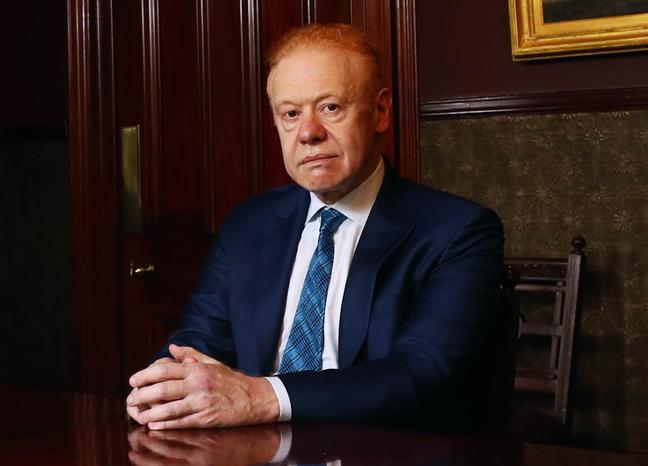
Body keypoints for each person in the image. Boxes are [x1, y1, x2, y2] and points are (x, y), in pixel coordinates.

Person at [126, 23, 504, 433]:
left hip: (387, 462)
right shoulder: (248, 225)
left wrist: (259, 396)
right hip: (254, 461)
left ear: (380, 112)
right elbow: (194, 345)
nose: (308, 133)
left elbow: (420, 372)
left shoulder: (458, 231)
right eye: (291, 114)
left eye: (330, 108)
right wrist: (166, 387)